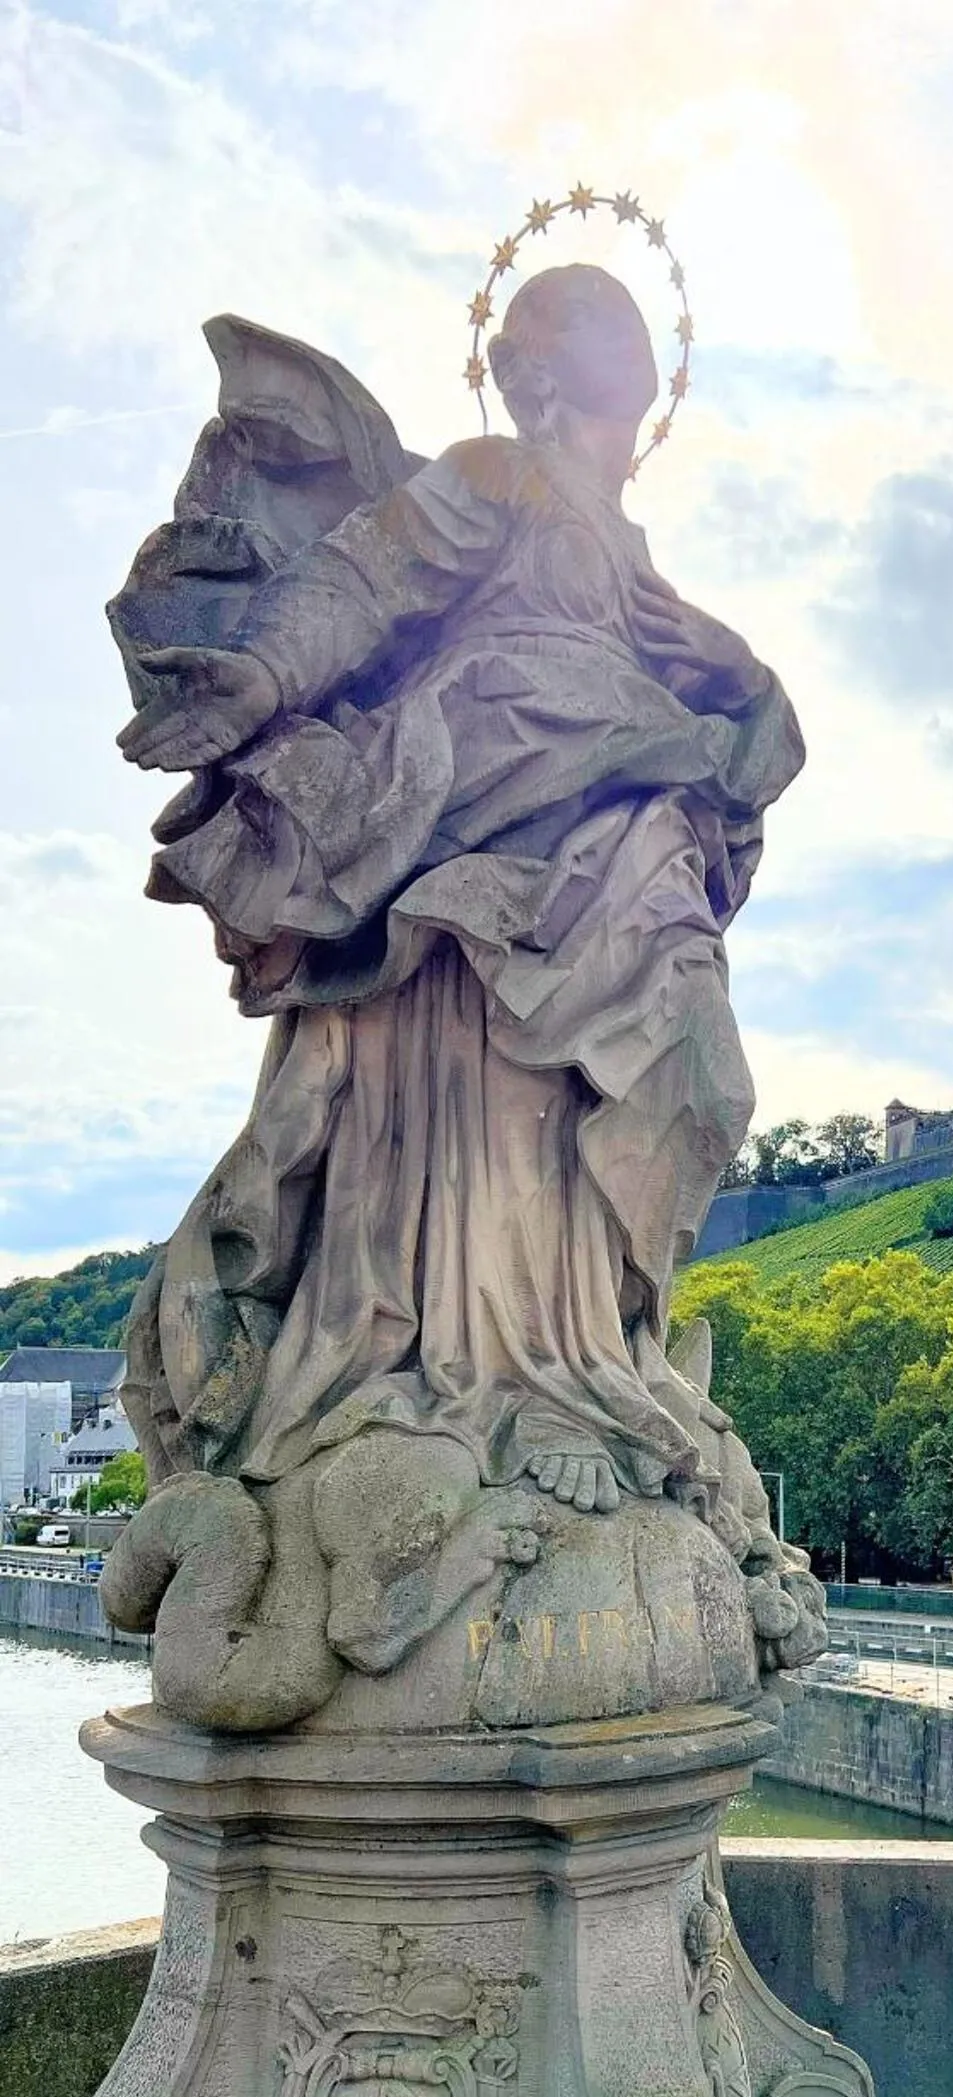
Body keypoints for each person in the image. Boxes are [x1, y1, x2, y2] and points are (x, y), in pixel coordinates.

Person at [111, 267, 800, 1541]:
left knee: (698, 1076)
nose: (617, 361)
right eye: (590, 338)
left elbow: (755, 726)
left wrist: (746, 687)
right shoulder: (497, 475)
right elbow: (362, 582)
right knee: (503, 1077)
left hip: (626, 817)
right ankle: (514, 1377)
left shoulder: (634, 557)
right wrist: (261, 674)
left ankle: (596, 1350)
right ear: (538, 374)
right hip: (486, 788)